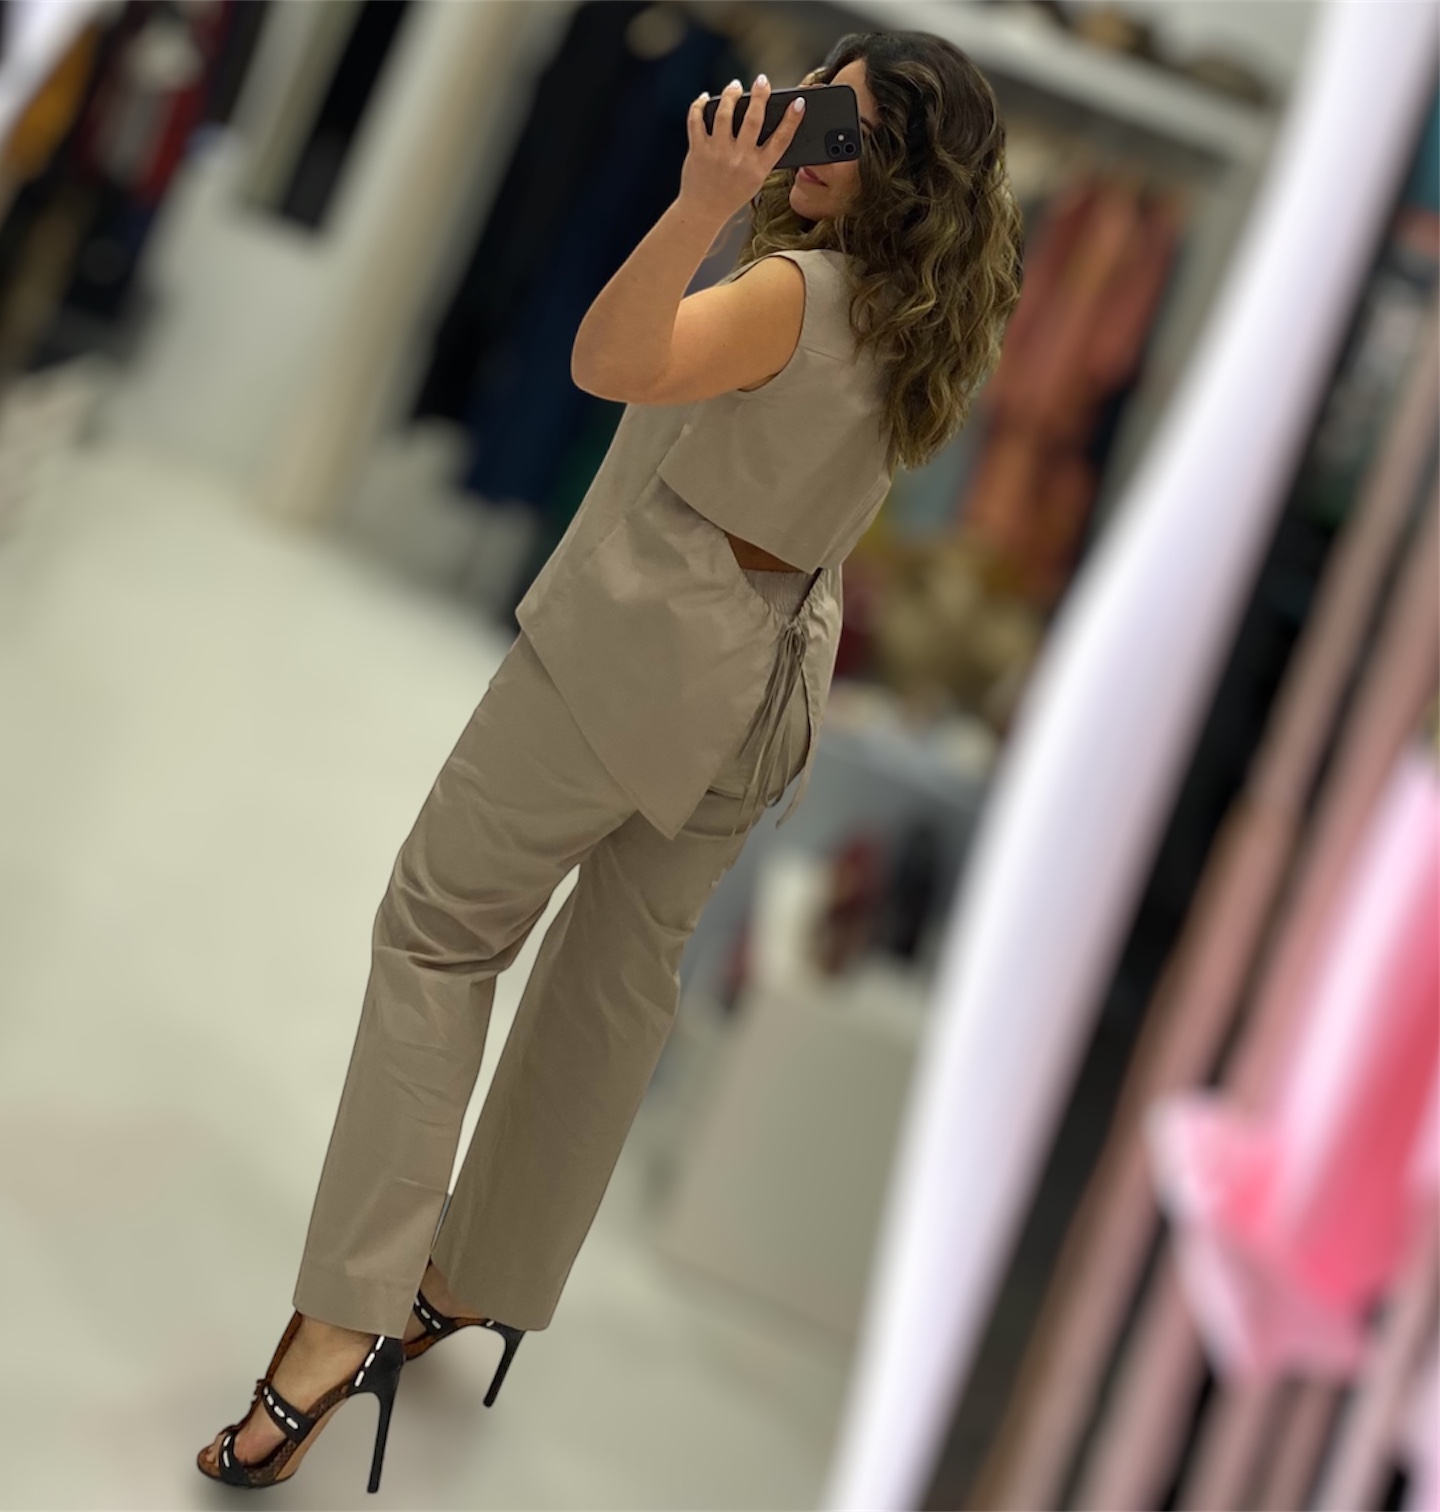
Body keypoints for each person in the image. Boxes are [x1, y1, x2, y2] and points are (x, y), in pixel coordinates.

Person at [197, 29, 1024, 1493]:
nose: (804, 137)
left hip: (642, 645)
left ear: (895, 168)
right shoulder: (930, 322)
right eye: (810, 104)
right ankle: (476, 1280)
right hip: (771, 677)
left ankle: (338, 1323)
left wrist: (704, 200)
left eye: (839, 125)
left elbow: (609, 360)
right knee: (610, 993)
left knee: (440, 933)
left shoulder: (798, 292)